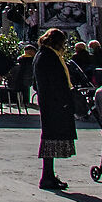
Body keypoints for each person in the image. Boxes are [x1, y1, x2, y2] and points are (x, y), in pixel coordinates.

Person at [34, 26, 80, 189]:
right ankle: (47, 177)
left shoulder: (42, 54)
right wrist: (65, 101)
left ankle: (49, 175)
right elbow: (56, 82)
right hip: (54, 104)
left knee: (50, 139)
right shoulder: (49, 57)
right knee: (51, 139)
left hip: (49, 102)